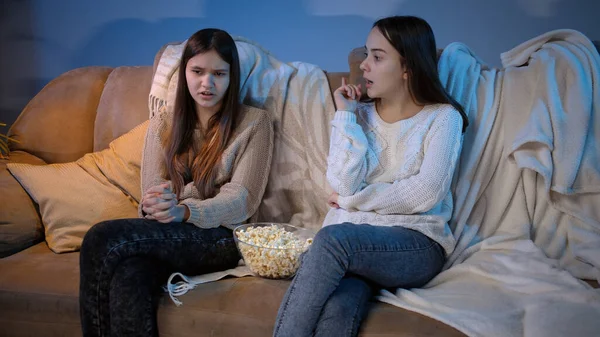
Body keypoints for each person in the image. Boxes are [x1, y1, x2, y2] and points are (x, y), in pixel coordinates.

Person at [273, 15, 469, 337]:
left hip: (416, 244)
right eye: (366, 54)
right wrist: (346, 117)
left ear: (408, 68)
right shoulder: (357, 115)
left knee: (332, 240)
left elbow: (425, 192)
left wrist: (353, 202)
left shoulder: (442, 118)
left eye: (377, 57)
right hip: (361, 246)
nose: (364, 65)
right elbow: (342, 183)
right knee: (339, 304)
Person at [79, 28, 274, 337]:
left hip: (222, 238)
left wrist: (184, 210)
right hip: (168, 232)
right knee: (130, 274)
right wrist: (158, 204)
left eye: (218, 74)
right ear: (184, 72)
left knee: (100, 237)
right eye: (197, 71)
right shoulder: (163, 122)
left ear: (231, 77)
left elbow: (240, 200)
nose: (206, 83)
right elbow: (151, 192)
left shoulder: (254, 123)